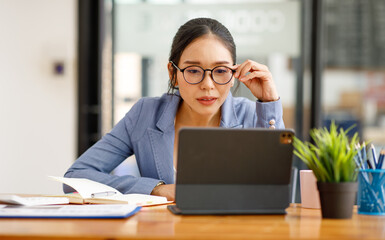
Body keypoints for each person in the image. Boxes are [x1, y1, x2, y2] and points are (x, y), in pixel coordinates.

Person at [64, 17, 284, 201]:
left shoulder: (251, 115)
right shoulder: (146, 113)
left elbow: (278, 189)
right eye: (194, 70)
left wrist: (269, 103)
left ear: (233, 73)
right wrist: (157, 189)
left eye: (220, 70)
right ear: (173, 73)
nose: (208, 84)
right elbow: (76, 177)